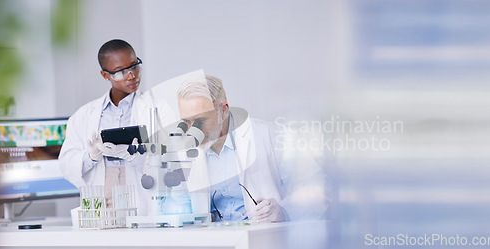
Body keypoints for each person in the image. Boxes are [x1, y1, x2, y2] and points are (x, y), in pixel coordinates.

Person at [177, 75, 330, 222]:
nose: (192, 130)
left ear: (223, 110)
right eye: (186, 122)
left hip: (263, 239)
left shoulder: (270, 135)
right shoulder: (185, 151)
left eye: (200, 120)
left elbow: (318, 187)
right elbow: (177, 201)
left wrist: (284, 211)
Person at [59, 39, 174, 214]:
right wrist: (91, 156)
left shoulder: (158, 109)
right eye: (121, 71)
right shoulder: (84, 115)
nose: (131, 75)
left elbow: (172, 160)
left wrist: (134, 155)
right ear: (105, 75)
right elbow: (67, 164)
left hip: (142, 195)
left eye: (134, 66)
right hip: (102, 195)